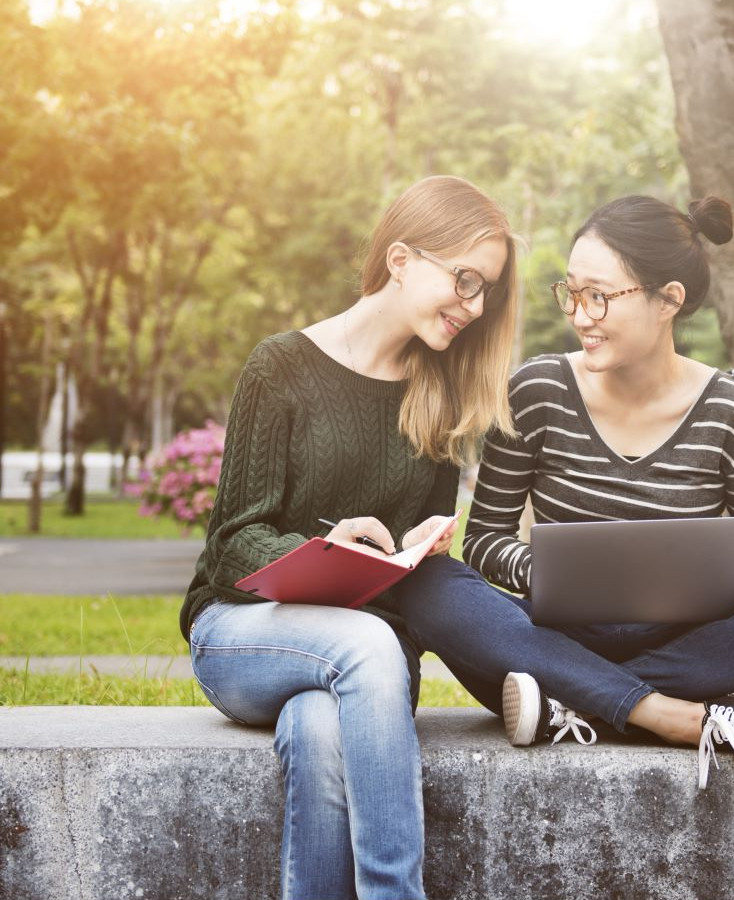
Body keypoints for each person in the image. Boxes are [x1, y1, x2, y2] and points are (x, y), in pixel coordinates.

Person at [396, 194, 734, 788]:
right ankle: (674, 716)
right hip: (551, 635)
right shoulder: (536, 390)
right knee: (430, 584)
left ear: (669, 300)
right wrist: (554, 574)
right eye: (571, 293)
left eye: (599, 296)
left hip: (682, 644)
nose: (580, 315)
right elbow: (485, 540)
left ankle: (574, 708)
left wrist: (696, 583)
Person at [180, 175, 520, 899]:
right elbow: (232, 544)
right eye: (464, 280)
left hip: (366, 663)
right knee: (363, 647)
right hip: (243, 635)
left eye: (485, 291)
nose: (474, 306)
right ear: (401, 259)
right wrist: (329, 550)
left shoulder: (437, 397)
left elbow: (408, 590)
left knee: (318, 728)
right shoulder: (280, 367)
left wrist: (415, 555)